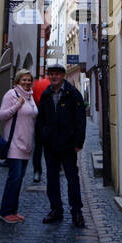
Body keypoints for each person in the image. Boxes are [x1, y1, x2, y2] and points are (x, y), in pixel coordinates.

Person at [35, 63, 87, 227]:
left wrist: (78, 142)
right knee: (52, 178)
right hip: (50, 145)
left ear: (63, 75)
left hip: (68, 144)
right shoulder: (46, 94)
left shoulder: (72, 94)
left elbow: (80, 119)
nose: (54, 77)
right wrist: (42, 137)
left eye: (57, 74)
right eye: (51, 74)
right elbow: (40, 119)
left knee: (72, 178)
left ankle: (76, 211)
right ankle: (56, 209)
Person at [0, 70, 38, 224]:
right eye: (24, 80)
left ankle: (13, 210)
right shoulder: (11, 94)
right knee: (14, 178)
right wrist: (17, 105)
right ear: (17, 81)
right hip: (14, 143)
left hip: (26, 144)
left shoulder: (30, 96)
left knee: (19, 179)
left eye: (29, 80)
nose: (27, 83)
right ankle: (5, 212)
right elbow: (2, 115)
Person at [30, 75, 50, 182]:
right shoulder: (52, 84)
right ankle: (56, 167)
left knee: (38, 148)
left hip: (39, 120)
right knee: (52, 147)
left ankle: (37, 171)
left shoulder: (37, 85)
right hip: (50, 122)